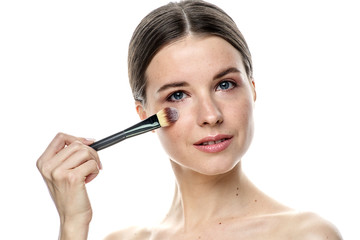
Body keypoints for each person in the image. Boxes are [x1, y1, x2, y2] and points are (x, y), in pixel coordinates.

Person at [36, 0, 342, 239]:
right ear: (144, 114)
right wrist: (73, 225)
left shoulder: (308, 235)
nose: (211, 116)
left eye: (225, 85)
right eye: (178, 95)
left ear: (252, 88)